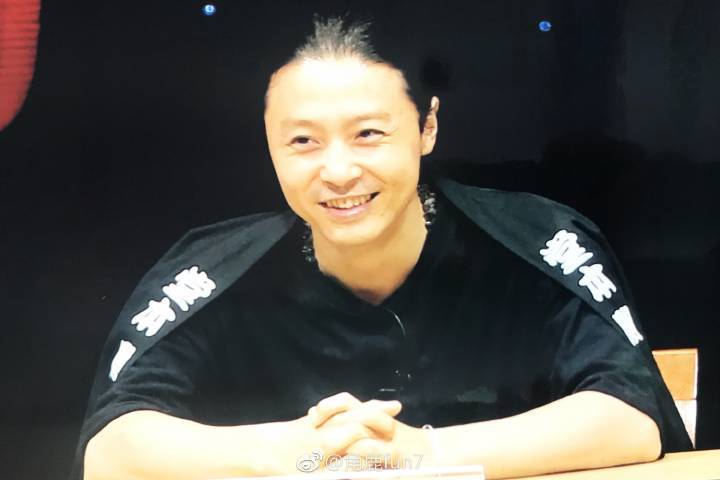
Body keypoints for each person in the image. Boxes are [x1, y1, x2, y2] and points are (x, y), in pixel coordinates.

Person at [74, 17, 692, 480]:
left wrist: (421, 454)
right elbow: (113, 447)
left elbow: (630, 417)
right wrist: (298, 452)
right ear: (268, 142)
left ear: (427, 127)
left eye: (368, 134)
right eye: (303, 141)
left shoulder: (538, 242)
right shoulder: (213, 268)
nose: (338, 171)